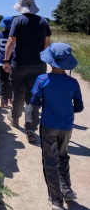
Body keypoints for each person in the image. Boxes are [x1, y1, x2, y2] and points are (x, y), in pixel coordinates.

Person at [30, 43, 84, 210]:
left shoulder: (42, 80)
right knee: (63, 155)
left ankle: (56, 199)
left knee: (50, 160)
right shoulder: (73, 83)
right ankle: (67, 189)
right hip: (66, 126)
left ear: (49, 61)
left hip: (48, 125)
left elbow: (34, 102)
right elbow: (79, 107)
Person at [3, 0, 51, 144]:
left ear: (20, 6)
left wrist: (6, 60)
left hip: (20, 64)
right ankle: (31, 130)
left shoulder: (18, 20)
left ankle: (15, 119)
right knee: (32, 97)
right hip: (38, 65)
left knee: (18, 94)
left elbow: (11, 41)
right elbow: (47, 45)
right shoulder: (43, 22)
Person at [0, 16, 14, 107]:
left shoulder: (0, 35)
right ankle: (11, 99)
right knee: (12, 80)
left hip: (2, 61)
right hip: (13, 61)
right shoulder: (15, 36)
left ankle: (4, 101)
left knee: (4, 81)